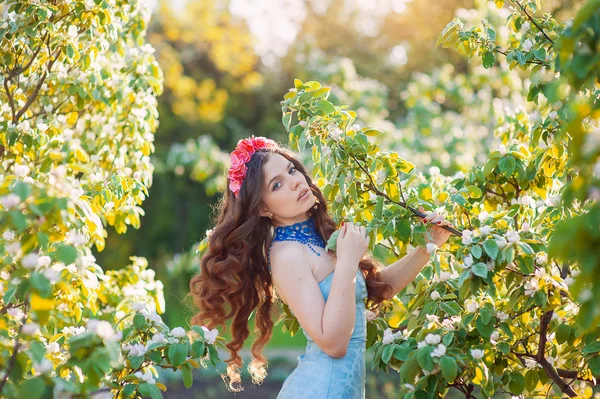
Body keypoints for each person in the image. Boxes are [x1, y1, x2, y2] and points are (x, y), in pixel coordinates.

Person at [189, 136, 454, 397]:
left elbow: (378, 289)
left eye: (292, 170)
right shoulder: (287, 254)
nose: (294, 182)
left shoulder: (318, 234)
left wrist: (427, 246)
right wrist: (348, 262)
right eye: (277, 184)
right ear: (263, 209)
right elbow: (334, 343)